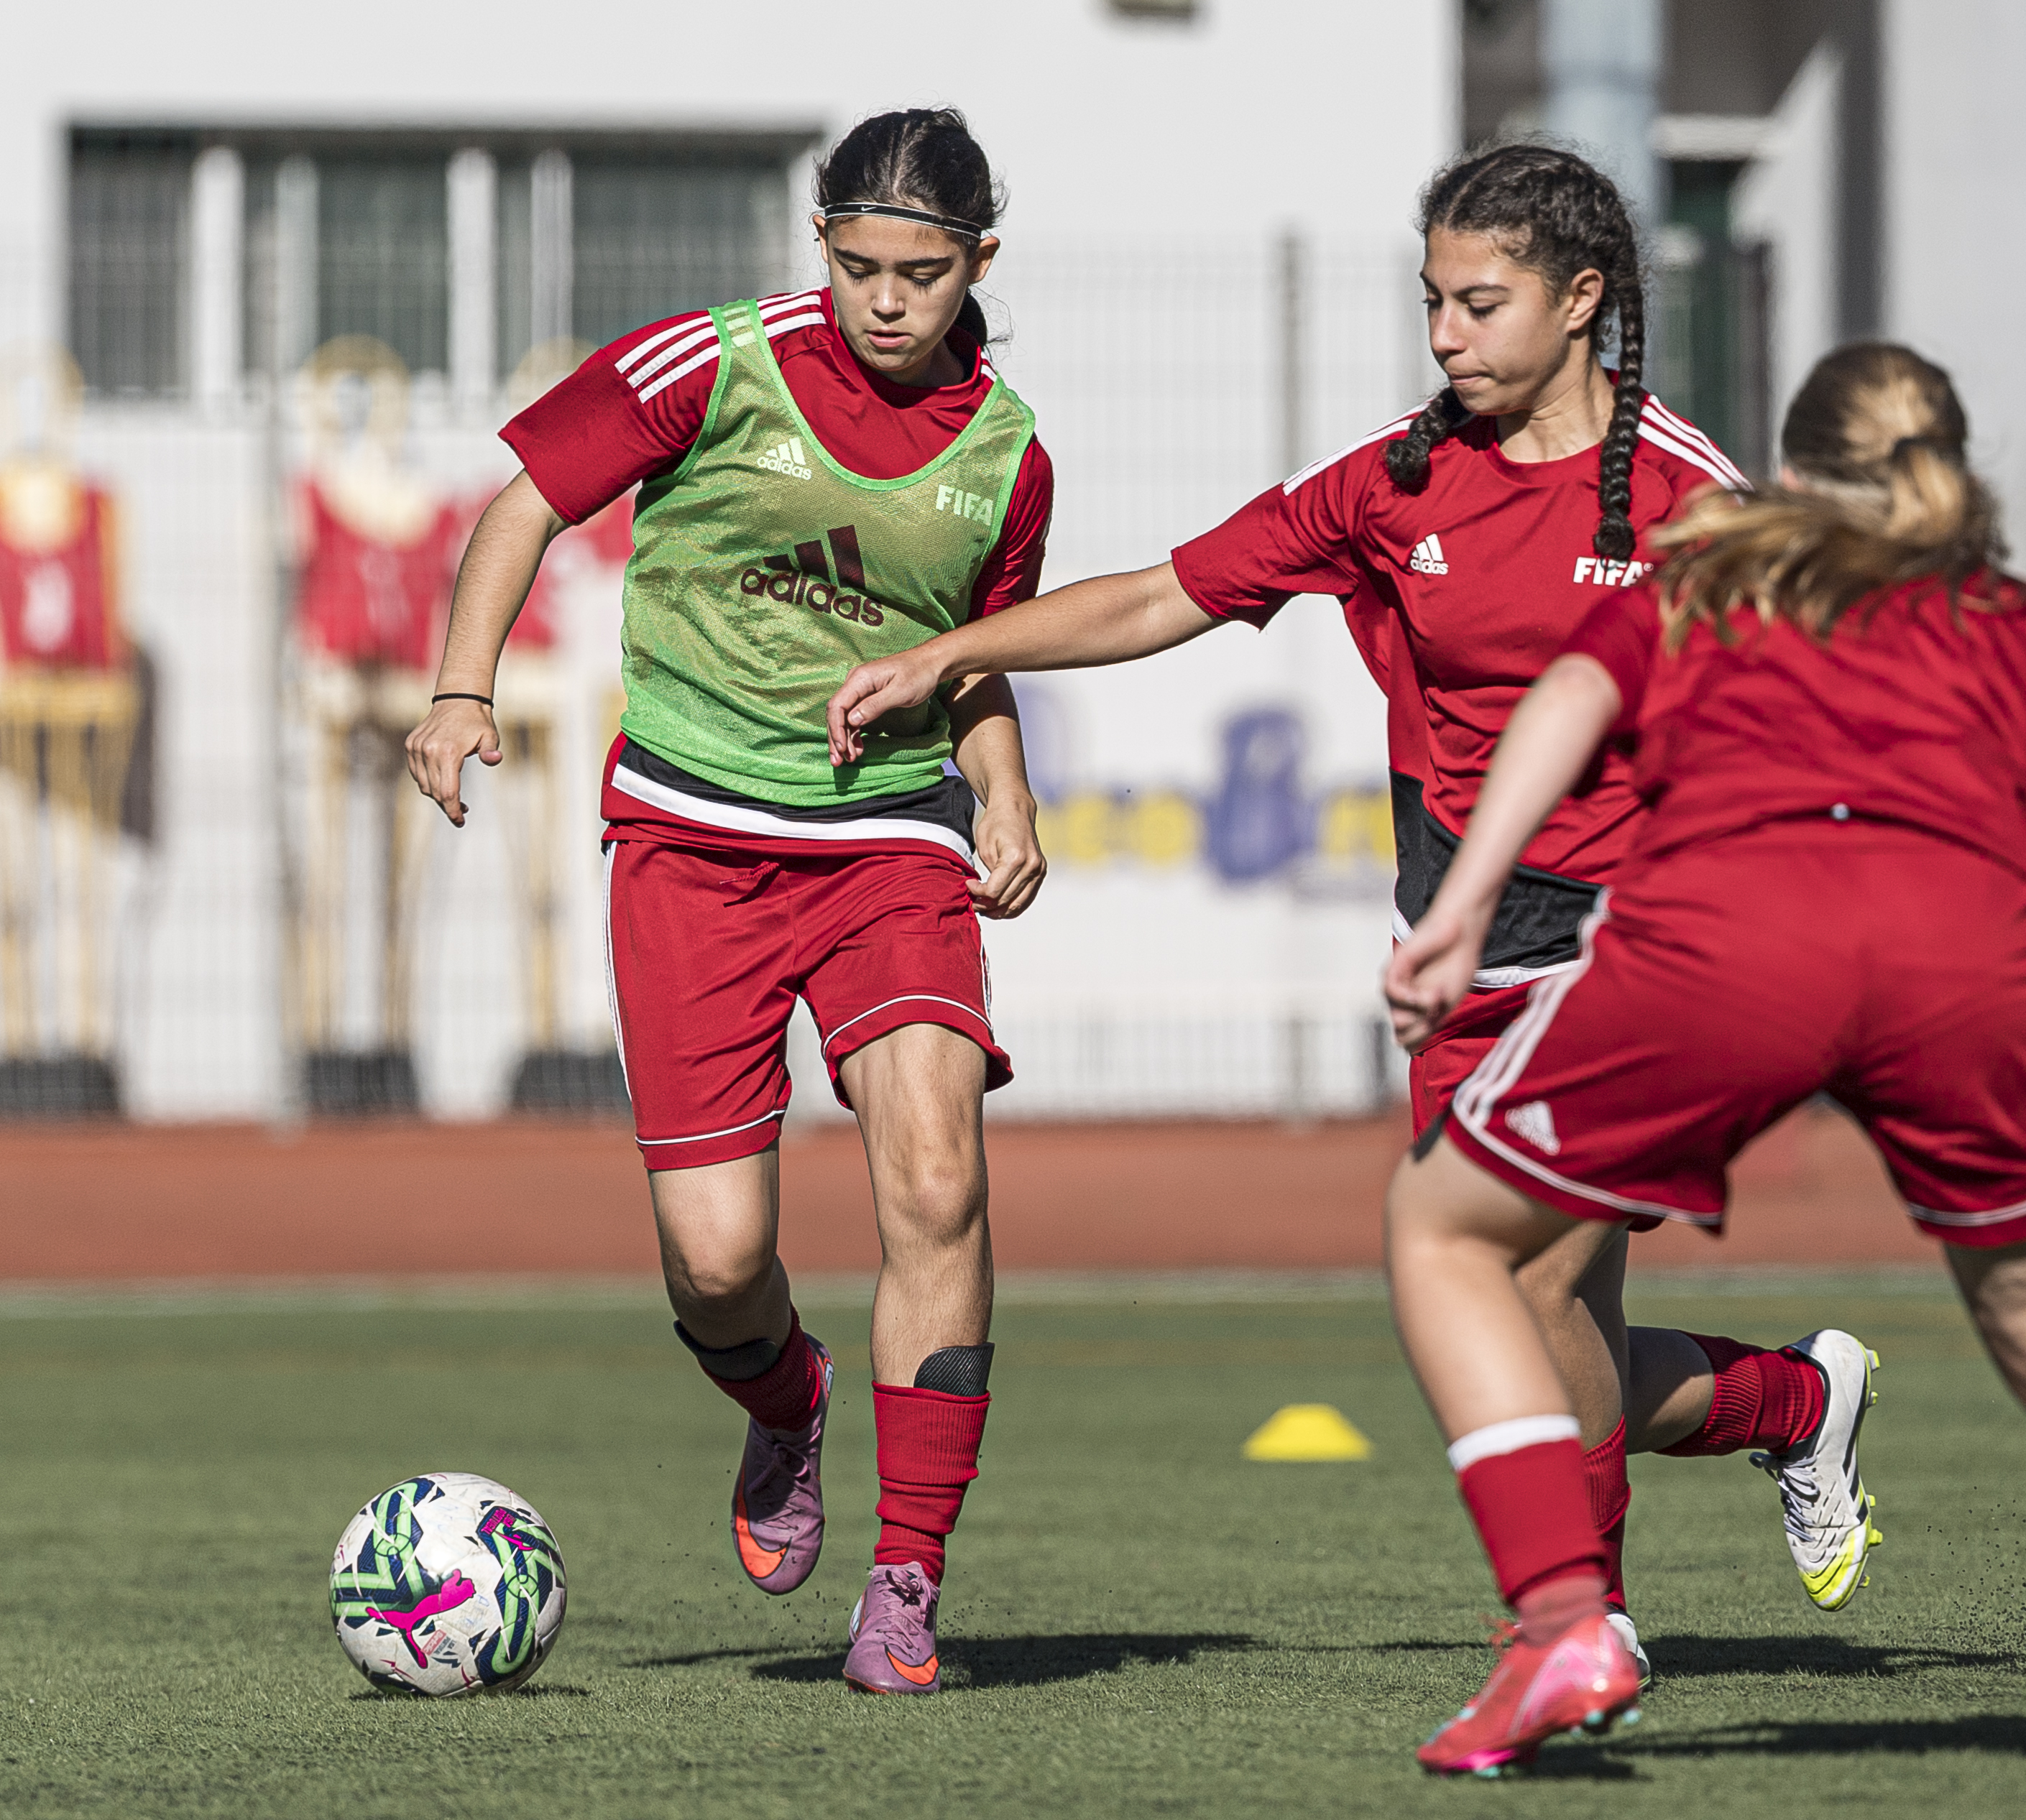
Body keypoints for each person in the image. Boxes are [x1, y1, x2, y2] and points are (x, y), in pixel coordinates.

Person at [824, 143, 1882, 1681]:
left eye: (1480, 302)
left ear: (1583, 300)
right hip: (1460, 936)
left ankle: (1576, 1620)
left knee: (1517, 1277)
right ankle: (1791, 1404)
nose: (1445, 335)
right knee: (1524, 1317)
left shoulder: (1684, 495)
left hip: (1637, 937)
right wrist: (948, 656)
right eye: (1431, 302)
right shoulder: (1395, 484)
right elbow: (1157, 595)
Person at [1378, 341, 2026, 1786]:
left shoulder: (1709, 586)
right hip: (1969, 967)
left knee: (1445, 1230)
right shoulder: (2019, 625)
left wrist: (1466, 895)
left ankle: (1563, 1619)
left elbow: (1565, 702)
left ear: (1792, 473)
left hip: (1732, 943)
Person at [403, 108, 1051, 1697]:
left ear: (979, 261)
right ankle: (784, 1403)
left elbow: (978, 656)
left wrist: (1007, 787)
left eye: (921, 272)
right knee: (712, 1259)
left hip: (891, 843)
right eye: (855, 265)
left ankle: (905, 1580)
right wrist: (458, 687)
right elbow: (521, 503)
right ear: (815, 241)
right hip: (690, 842)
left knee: (936, 1176)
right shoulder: (709, 362)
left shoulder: (1007, 450)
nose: (885, 301)